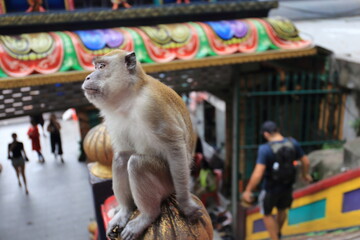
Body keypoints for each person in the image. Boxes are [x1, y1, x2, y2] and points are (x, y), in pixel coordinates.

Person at [242, 121, 312, 240]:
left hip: (270, 187)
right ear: (277, 130)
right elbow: (306, 161)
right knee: (282, 209)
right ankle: (278, 232)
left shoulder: (265, 149)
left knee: (267, 213)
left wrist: (248, 190)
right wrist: (305, 175)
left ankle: (275, 238)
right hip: (288, 185)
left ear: (266, 134)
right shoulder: (293, 143)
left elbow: (258, 173)